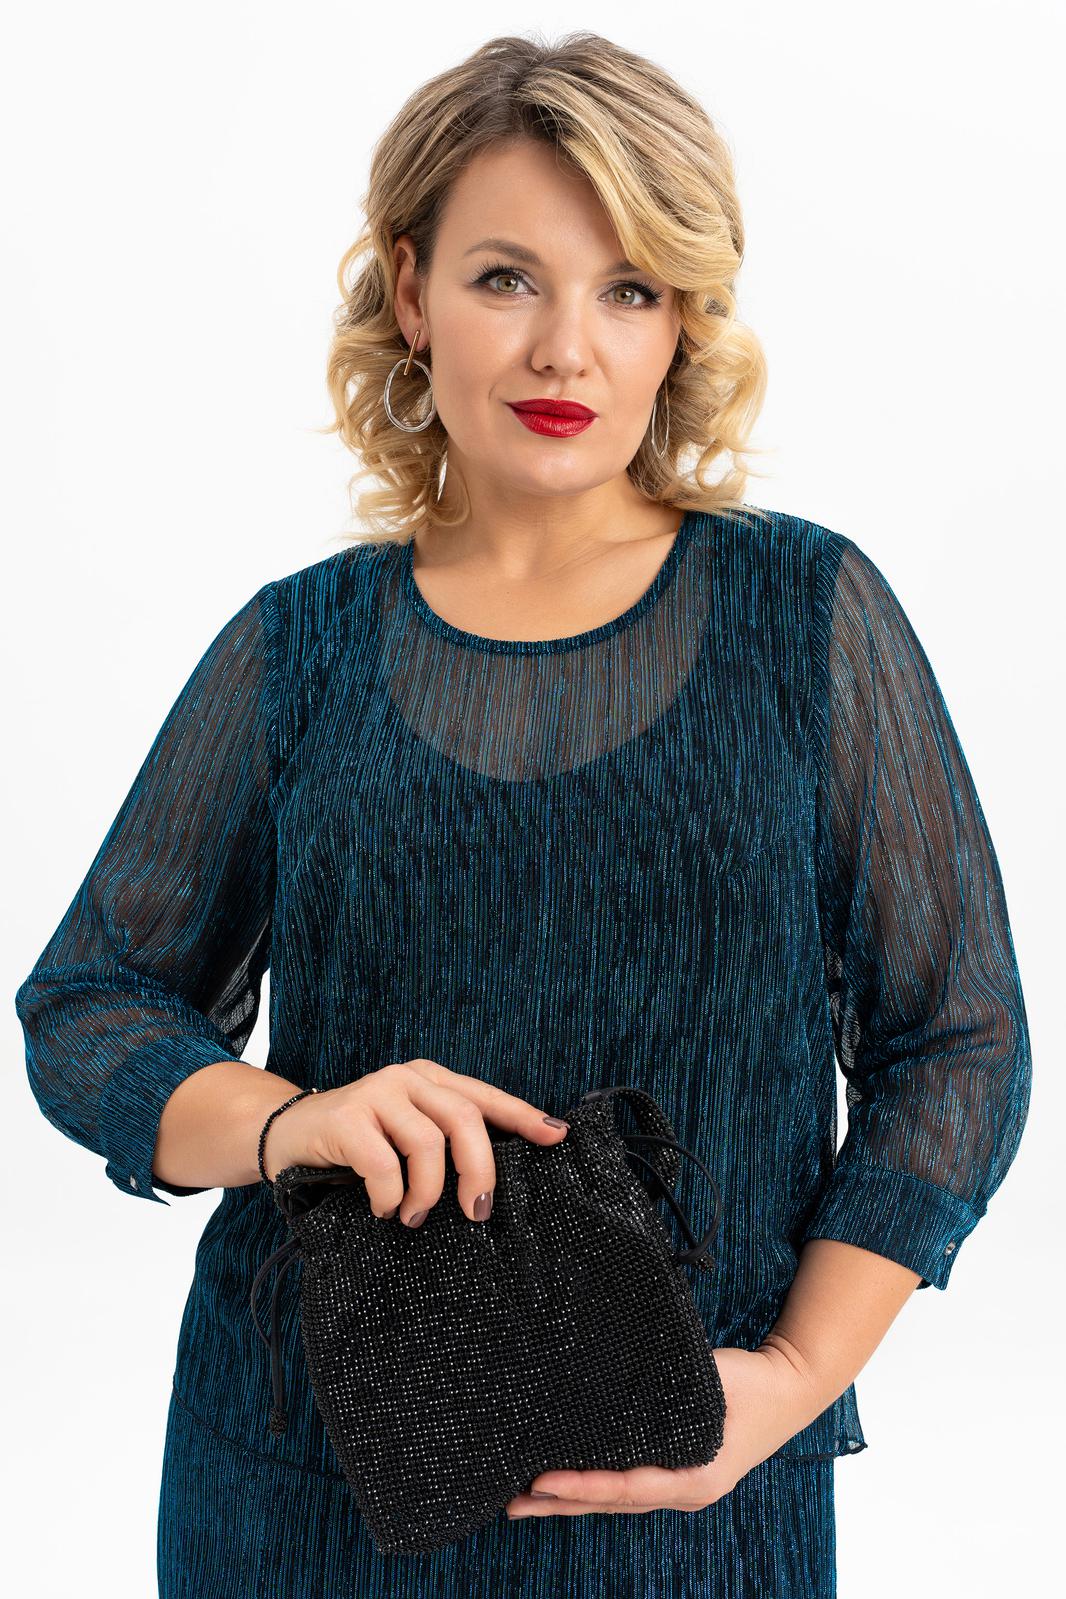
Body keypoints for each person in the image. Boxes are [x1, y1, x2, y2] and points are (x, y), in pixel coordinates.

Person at [15, 30, 1032, 1599]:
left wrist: (790, 1382)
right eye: (506, 278)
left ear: (679, 320)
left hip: (695, 1498)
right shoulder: (300, 648)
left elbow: (954, 1039)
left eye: (627, 288)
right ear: (411, 293)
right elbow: (89, 1005)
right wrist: (288, 1122)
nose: (566, 347)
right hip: (304, 1491)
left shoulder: (804, 618)